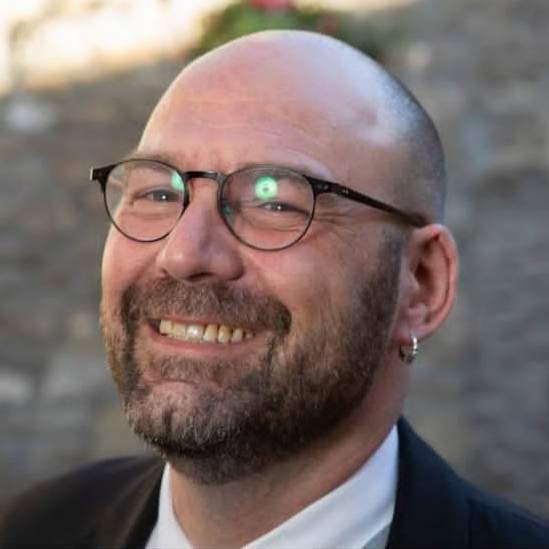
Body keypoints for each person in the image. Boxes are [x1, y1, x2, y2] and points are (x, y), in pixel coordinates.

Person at [1, 30, 548, 549]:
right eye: (158, 192)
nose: (185, 254)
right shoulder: (34, 530)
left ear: (422, 284)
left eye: (276, 201)